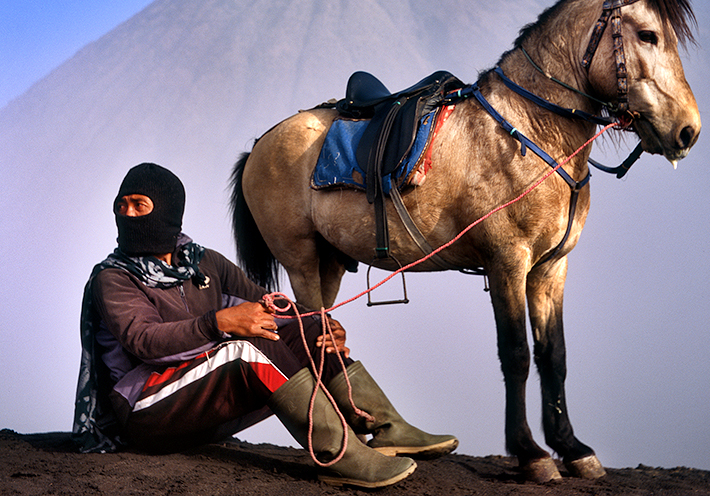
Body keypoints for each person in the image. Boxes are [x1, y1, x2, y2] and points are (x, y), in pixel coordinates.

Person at [74, 162, 458, 488]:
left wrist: (322, 325)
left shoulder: (204, 262)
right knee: (246, 348)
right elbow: (143, 341)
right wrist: (217, 322)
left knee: (303, 332)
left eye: (139, 205)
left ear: (168, 212)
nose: (128, 215)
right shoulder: (115, 278)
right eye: (121, 207)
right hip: (145, 409)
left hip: (196, 402)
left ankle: (387, 427)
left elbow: (271, 306)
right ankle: (339, 454)